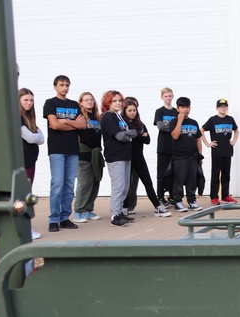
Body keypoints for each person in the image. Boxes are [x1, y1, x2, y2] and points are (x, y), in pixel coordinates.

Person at [43, 75, 86, 232]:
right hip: (56, 149)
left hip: (73, 149)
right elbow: (54, 125)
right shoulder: (50, 103)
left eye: (67, 85)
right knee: (57, 184)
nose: (65, 88)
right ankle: (54, 219)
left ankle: (64, 217)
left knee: (69, 185)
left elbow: (82, 125)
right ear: (55, 86)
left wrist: (64, 122)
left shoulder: (74, 104)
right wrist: (72, 124)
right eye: (62, 85)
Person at [122, 97, 171, 218]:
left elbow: (147, 139)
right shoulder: (123, 123)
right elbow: (127, 137)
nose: (132, 112)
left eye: (134, 110)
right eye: (130, 110)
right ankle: (124, 208)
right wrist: (139, 135)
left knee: (147, 182)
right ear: (125, 111)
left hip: (139, 157)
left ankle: (157, 207)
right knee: (126, 184)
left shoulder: (139, 124)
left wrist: (135, 135)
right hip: (126, 157)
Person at [99, 90, 137, 226]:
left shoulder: (119, 117)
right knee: (118, 186)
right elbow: (119, 136)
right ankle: (115, 215)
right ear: (108, 102)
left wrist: (127, 134)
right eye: (114, 101)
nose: (118, 103)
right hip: (115, 156)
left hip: (125, 155)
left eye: (119, 100)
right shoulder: (108, 117)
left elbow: (134, 132)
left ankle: (120, 211)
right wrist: (128, 135)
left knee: (126, 186)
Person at [71, 91, 103, 223]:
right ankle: (79, 211)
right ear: (81, 102)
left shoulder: (96, 116)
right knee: (85, 182)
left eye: (91, 99)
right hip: (83, 152)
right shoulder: (79, 116)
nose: (89, 102)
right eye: (86, 100)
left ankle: (89, 209)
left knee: (95, 181)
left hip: (95, 153)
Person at [201, 98, 239, 205]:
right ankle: (214, 197)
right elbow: (201, 131)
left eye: (225, 107)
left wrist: (234, 141)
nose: (223, 109)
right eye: (221, 107)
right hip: (217, 151)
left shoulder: (230, 119)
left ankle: (225, 195)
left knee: (226, 174)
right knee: (215, 174)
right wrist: (208, 144)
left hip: (227, 150)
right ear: (217, 108)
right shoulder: (213, 120)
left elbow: (236, 131)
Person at [18, 88, 44, 239]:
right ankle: (25, 228)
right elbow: (31, 138)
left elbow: (41, 138)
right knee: (23, 196)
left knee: (27, 194)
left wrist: (36, 136)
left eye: (31, 100)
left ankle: (26, 227)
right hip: (22, 162)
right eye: (25, 100)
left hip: (30, 161)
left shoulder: (29, 117)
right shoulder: (18, 118)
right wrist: (36, 136)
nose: (29, 103)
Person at [170, 96, 203, 212]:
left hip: (193, 156)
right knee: (179, 179)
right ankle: (178, 202)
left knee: (192, 180)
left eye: (187, 107)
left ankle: (192, 201)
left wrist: (200, 156)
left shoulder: (194, 122)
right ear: (178, 108)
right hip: (179, 156)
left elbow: (198, 139)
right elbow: (175, 136)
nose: (185, 109)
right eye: (182, 107)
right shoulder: (174, 121)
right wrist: (180, 120)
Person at [153, 87, 177, 205]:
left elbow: (181, 127)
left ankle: (173, 196)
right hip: (163, 147)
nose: (168, 98)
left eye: (170, 96)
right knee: (161, 173)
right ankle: (160, 197)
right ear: (162, 97)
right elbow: (161, 126)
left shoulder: (176, 112)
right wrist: (174, 128)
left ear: (173, 96)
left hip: (175, 147)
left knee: (174, 172)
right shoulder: (160, 111)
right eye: (166, 96)